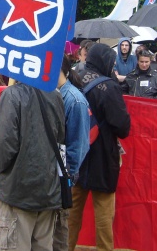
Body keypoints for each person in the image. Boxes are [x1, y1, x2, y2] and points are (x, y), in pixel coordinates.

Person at [0, 82, 65, 251]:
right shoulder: (55, 94)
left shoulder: (12, 95)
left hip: (17, 193)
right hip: (48, 191)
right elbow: (61, 139)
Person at [68, 44, 131, 251]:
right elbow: (122, 127)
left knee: (71, 213)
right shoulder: (109, 87)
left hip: (75, 156)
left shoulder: (73, 78)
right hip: (102, 158)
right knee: (104, 217)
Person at [53, 55, 91, 251]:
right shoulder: (52, 94)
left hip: (63, 179)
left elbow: (79, 146)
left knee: (59, 233)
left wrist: (67, 178)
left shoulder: (75, 101)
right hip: (50, 178)